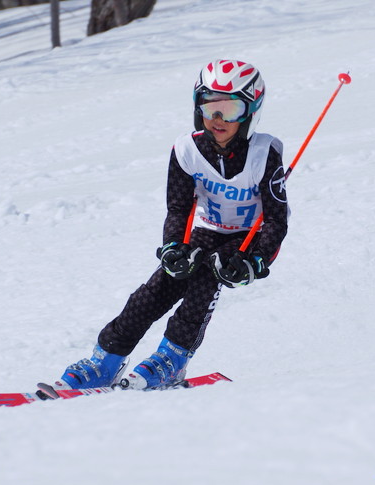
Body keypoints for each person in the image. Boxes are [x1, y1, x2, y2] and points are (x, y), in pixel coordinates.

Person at [56, 59, 289, 390]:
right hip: (207, 231)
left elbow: (277, 220)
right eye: (210, 107)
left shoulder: (264, 153)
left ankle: (172, 359)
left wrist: (256, 260)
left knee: (206, 280)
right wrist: (173, 247)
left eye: (231, 109)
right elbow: (178, 208)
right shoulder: (186, 150)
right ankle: (104, 361)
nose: (218, 119)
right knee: (154, 292)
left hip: (246, 239)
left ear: (251, 112)